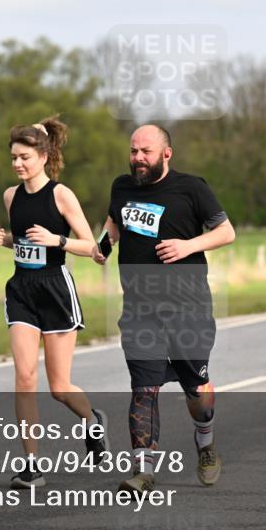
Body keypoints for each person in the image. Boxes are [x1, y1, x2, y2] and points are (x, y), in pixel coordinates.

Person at [93, 125, 236, 494]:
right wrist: (103, 246)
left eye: (146, 151)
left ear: (166, 154)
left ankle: (205, 443)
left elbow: (225, 232)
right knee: (144, 388)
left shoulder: (192, 188)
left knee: (197, 391)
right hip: (140, 309)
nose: (138, 158)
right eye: (133, 150)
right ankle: (143, 471)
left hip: (188, 310)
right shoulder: (121, 187)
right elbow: (115, 220)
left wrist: (187, 246)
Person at [0, 117, 108, 489]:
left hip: (56, 289)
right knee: (24, 377)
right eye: (13, 158)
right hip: (22, 289)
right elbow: (24, 241)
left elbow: (95, 248)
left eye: (24, 157)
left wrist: (57, 240)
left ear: (43, 155)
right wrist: (7, 240)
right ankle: (32, 464)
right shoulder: (11, 196)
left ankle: (93, 421)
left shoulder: (61, 195)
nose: (18, 164)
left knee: (59, 387)